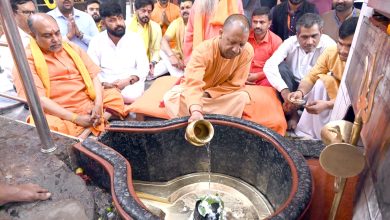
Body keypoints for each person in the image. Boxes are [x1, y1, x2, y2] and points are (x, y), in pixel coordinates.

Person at [13, 13, 128, 138]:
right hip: (61, 112)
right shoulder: (26, 61)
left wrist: (98, 104)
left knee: (114, 95)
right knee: (41, 123)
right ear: (33, 36)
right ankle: (95, 125)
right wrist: (76, 118)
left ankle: (90, 127)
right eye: (47, 36)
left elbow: (93, 76)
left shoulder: (72, 48)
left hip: (88, 102)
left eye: (57, 33)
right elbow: (39, 100)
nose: (56, 39)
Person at [163, 14, 253, 122]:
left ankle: (203, 116)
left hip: (220, 95)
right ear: (221, 33)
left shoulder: (247, 52)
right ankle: (212, 118)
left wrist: (209, 93)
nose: (235, 49)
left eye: (241, 44)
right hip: (198, 93)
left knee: (241, 97)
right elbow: (193, 83)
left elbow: (235, 84)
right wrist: (196, 110)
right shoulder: (202, 50)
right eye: (232, 42)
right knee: (171, 97)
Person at [288, 17, 358, 139]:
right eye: (340, 43)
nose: (343, 50)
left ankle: (333, 139)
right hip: (336, 97)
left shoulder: (363, 61)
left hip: (354, 109)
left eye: (349, 46)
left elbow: (356, 99)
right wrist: (300, 92)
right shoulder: (331, 52)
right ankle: (313, 134)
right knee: (321, 82)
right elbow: (311, 76)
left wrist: (327, 105)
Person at [263, 13, 335, 129]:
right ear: (297, 35)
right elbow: (269, 65)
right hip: (291, 88)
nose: (310, 41)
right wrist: (285, 92)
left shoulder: (330, 46)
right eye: (305, 37)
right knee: (281, 68)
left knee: (326, 80)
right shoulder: (290, 42)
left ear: (321, 32)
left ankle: (302, 114)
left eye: (314, 36)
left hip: (314, 89)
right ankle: (293, 114)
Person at [88, 2, 149, 104]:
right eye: (112, 20)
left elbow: (143, 67)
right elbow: (92, 71)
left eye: (120, 18)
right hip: (106, 85)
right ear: (103, 24)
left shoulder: (135, 38)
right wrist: (105, 84)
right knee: (97, 95)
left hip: (130, 84)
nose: (119, 23)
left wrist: (128, 80)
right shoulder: (96, 41)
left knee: (131, 96)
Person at [0, 0, 35, 108]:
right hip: (23, 98)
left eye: (34, 12)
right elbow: (14, 75)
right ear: (13, 14)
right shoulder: (9, 39)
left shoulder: (36, 32)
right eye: (27, 12)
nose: (32, 16)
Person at [152, 0, 193, 79]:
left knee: (164, 64)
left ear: (194, 9)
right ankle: (179, 76)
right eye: (182, 8)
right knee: (162, 50)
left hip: (194, 60)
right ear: (180, 10)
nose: (185, 10)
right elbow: (163, 40)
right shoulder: (177, 22)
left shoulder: (198, 22)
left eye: (188, 7)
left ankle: (150, 73)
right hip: (178, 57)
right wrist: (172, 56)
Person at [246, 7, 282, 86]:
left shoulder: (276, 41)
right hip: (243, 76)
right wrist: (242, 77)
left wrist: (257, 76)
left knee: (273, 81)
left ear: (269, 23)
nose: (257, 26)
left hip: (264, 80)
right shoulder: (245, 36)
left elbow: (277, 67)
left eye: (262, 22)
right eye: (255, 22)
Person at [128, 0, 162, 79]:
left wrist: (153, 62)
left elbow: (157, 50)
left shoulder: (155, 27)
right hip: (130, 64)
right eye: (143, 11)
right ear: (135, 10)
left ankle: (144, 74)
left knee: (166, 61)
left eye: (149, 11)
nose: (146, 14)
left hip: (148, 63)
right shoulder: (127, 26)